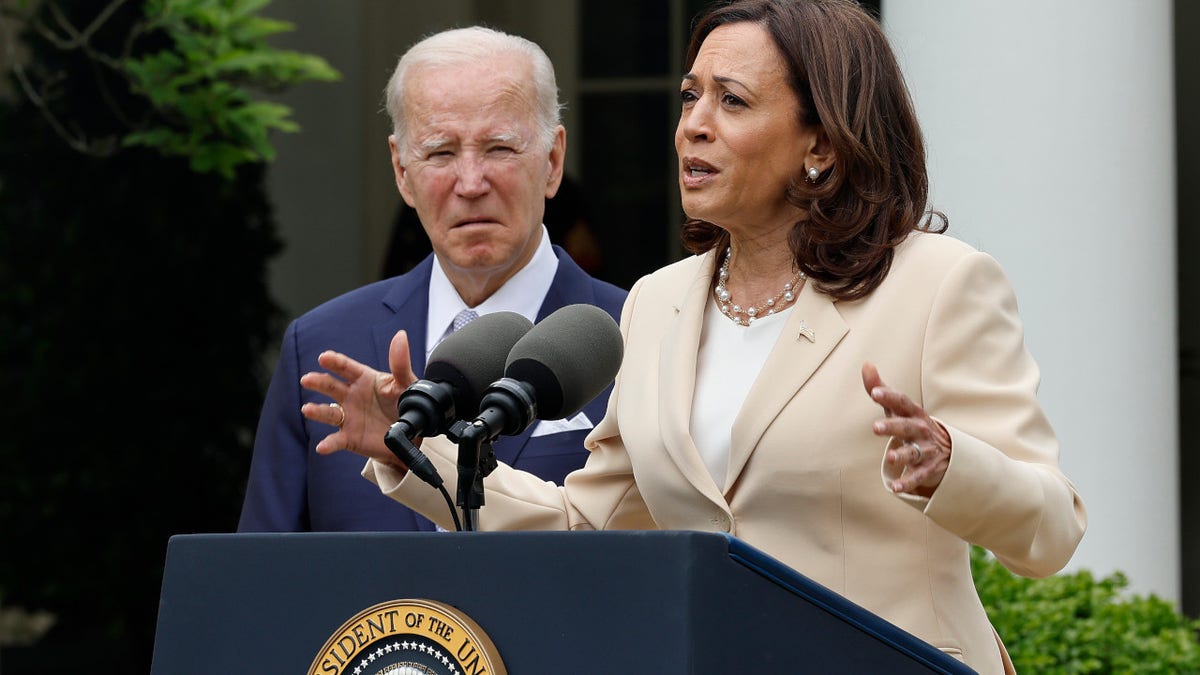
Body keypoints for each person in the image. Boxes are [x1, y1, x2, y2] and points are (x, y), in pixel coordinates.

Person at [300, 1, 1086, 672]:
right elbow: (588, 523)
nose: (692, 129)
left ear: (820, 143)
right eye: (689, 97)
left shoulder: (938, 284)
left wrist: (951, 461)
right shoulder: (657, 302)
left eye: (732, 102)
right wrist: (410, 448)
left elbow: (1050, 528)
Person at [237, 26, 626, 532]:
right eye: (441, 152)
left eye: (500, 149)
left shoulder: (639, 335)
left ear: (552, 161)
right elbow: (264, 578)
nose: (470, 183)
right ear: (402, 171)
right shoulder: (321, 346)